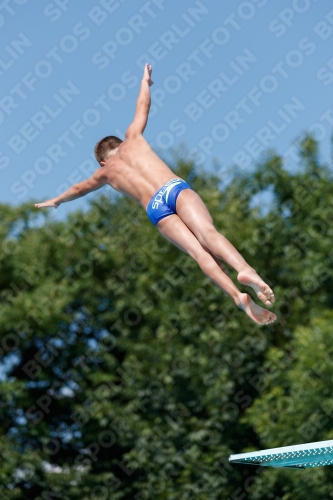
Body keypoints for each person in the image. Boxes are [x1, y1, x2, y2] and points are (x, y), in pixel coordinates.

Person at [35, 64, 277, 325]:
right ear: (119, 144)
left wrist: (56, 200)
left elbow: (79, 189)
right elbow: (142, 105)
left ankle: (236, 296)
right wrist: (144, 81)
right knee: (208, 234)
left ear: (102, 161)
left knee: (199, 254)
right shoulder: (133, 138)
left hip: (156, 208)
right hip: (172, 188)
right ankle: (244, 270)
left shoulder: (104, 173)